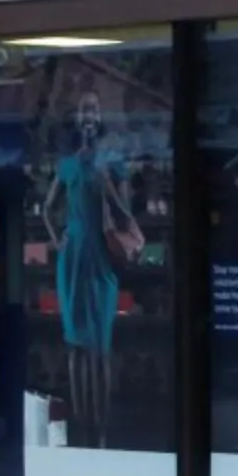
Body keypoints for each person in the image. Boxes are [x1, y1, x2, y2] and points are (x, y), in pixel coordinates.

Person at [41, 90, 144, 449]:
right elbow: (46, 207)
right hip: (73, 255)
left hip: (101, 254)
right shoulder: (68, 164)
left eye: (94, 110)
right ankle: (81, 423)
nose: (89, 115)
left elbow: (126, 214)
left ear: (99, 118)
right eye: (85, 109)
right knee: (75, 347)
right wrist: (57, 239)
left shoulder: (111, 161)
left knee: (101, 345)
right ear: (77, 117)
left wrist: (107, 187)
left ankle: (102, 428)